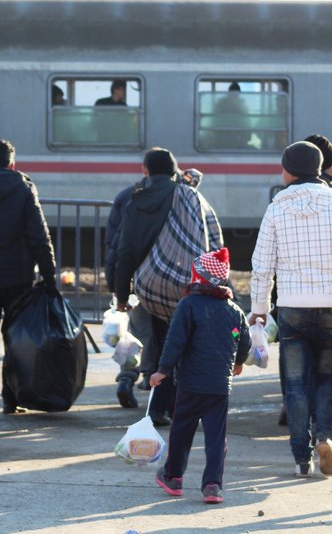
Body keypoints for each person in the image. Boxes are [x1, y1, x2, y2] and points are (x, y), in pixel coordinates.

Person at [250, 141, 332, 478]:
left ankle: (301, 458)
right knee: (328, 377)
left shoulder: (276, 209)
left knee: (294, 385)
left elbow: (262, 266)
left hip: (293, 307)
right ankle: (324, 435)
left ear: (289, 171)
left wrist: (260, 309)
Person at [115, 148, 223, 426]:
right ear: (175, 170)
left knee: (165, 347)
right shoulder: (189, 196)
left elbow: (125, 250)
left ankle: (157, 409)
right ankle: (181, 409)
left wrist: (122, 294)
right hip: (188, 285)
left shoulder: (135, 199)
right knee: (188, 348)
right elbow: (210, 236)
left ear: (146, 171)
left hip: (151, 287)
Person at [152, 247, 250, 505]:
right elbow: (244, 341)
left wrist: (162, 370)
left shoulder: (188, 305)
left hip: (190, 383)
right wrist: (238, 362)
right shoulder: (234, 310)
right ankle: (212, 486)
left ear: (199, 277)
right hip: (219, 385)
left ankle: (173, 477)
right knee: (216, 437)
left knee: (181, 431)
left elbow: (175, 342)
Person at [0, 140, 57, 413]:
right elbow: (39, 236)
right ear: (12, 164)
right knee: (14, 337)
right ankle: (11, 398)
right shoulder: (23, 188)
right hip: (17, 277)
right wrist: (50, 277)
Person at [105, 172, 154, 406]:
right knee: (160, 335)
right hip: (163, 281)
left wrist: (116, 287)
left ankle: (126, 379)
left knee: (133, 332)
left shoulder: (126, 197)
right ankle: (152, 384)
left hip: (135, 280)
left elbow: (114, 245)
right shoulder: (174, 197)